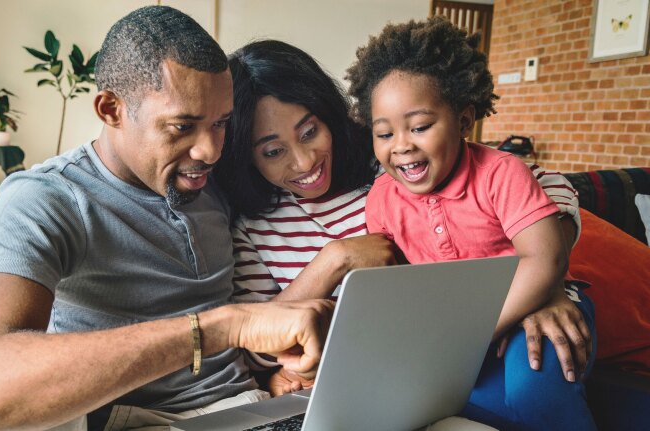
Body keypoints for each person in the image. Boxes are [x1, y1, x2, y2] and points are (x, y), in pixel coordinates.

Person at [0, 7, 335, 430]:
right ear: (111, 109)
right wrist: (224, 327)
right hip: (137, 419)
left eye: (220, 123)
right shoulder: (46, 200)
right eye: (182, 126)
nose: (210, 150)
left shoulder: (215, 176)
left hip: (252, 406)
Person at [215, 38, 592, 394]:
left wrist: (543, 283)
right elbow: (253, 348)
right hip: (374, 373)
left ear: (328, 115)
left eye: (310, 132)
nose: (304, 161)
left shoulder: (391, 166)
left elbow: (546, 184)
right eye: (272, 152)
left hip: (441, 349)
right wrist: (335, 260)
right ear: (247, 156)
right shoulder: (253, 226)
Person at [345, 17, 597, 430]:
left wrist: (470, 335)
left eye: (420, 127)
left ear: (464, 120)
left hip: (539, 304)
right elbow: (397, 284)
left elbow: (544, 259)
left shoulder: (501, 173)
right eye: (384, 134)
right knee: (441, 401)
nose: (402, 145)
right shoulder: (382, 198)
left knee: (534, 386)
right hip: (456, 329)